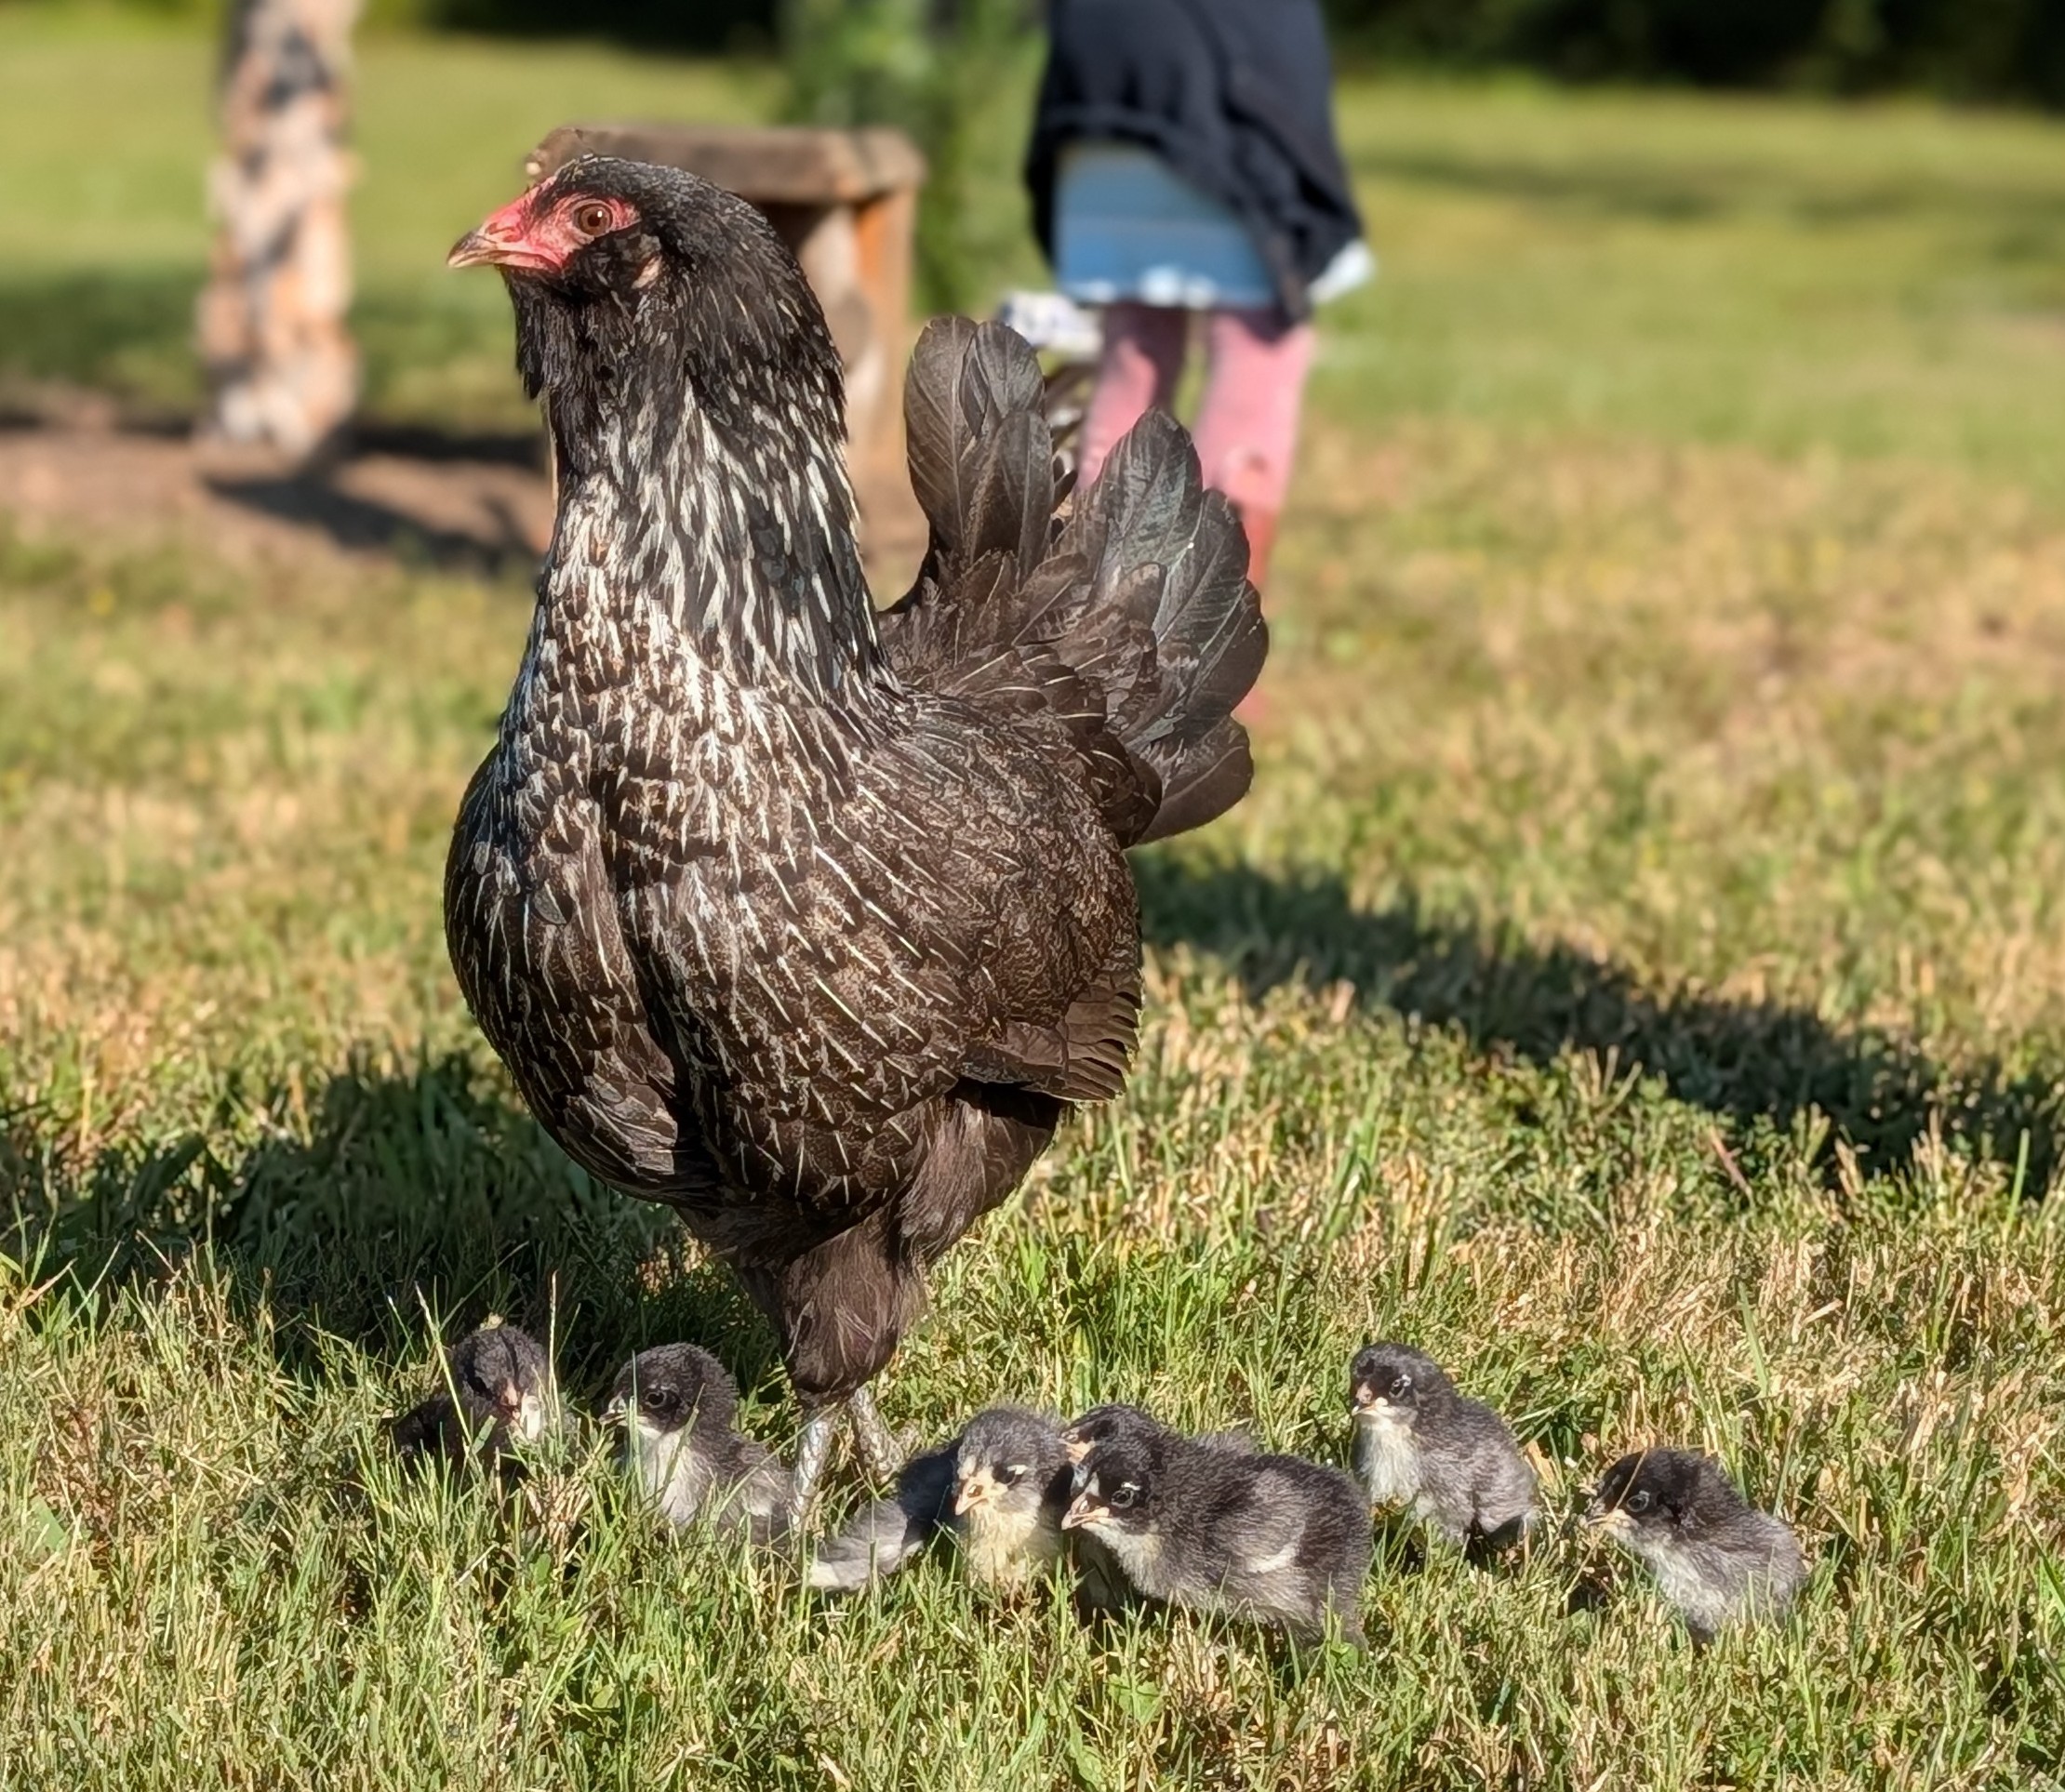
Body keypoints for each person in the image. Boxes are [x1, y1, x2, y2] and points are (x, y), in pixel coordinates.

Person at [1025, 0, 1369, 589]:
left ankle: (1091, 628)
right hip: (1213, 97)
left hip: (1098, 87)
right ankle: (1208, 643)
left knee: (1135, 343)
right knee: (1262, 342)